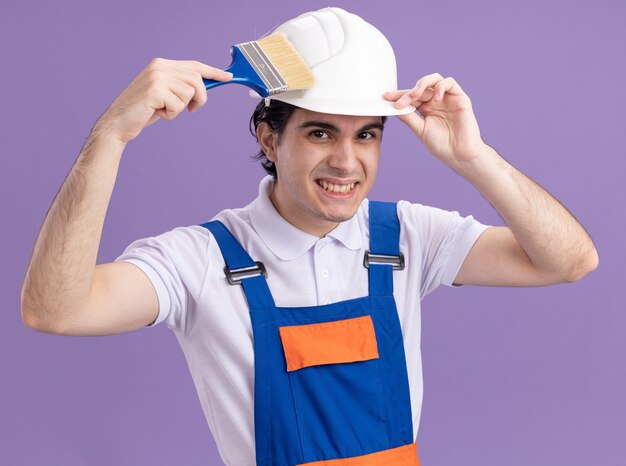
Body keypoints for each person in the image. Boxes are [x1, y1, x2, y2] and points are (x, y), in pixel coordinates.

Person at [20, 7, 597, 466]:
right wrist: (109, 138)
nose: (347, 163)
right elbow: (56, 310)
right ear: (269, 138)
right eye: (321, 132)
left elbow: (569, 261)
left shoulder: (405, 238)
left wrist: (474, 158)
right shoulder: (197, 260)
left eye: (367, 135)